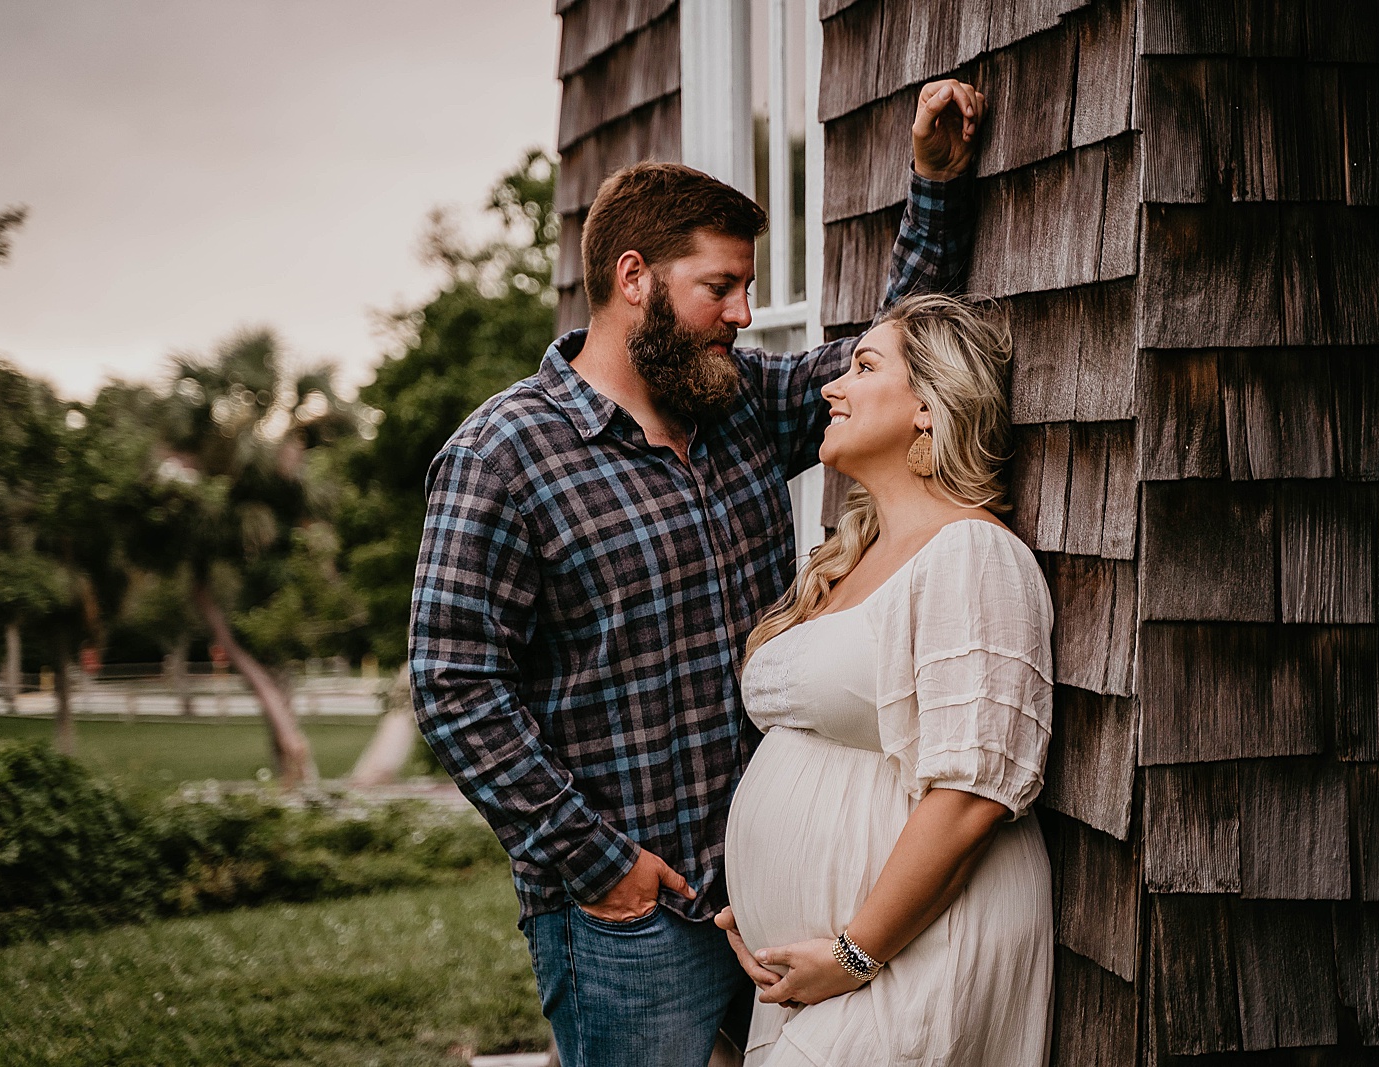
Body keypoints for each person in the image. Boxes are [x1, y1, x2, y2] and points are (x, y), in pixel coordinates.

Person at [409, 78, 987, 1067]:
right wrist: (604, 865)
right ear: (633, 277)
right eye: (719, 287)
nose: (743, 312)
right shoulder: (501, 455)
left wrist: (933, 184)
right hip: (635, 924)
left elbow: (888, 366)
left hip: (772, 898)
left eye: (746, 287)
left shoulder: (739, 404)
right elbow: (453, 685)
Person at [716, 292, 1055, 1066]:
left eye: (863, 366)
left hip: (913, 959)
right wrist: (763, 906)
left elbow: (971, 794)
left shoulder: (973, 555)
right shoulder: (849, 556)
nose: (833, 386)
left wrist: (854, 951)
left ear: (929, 407)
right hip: (817, 968)